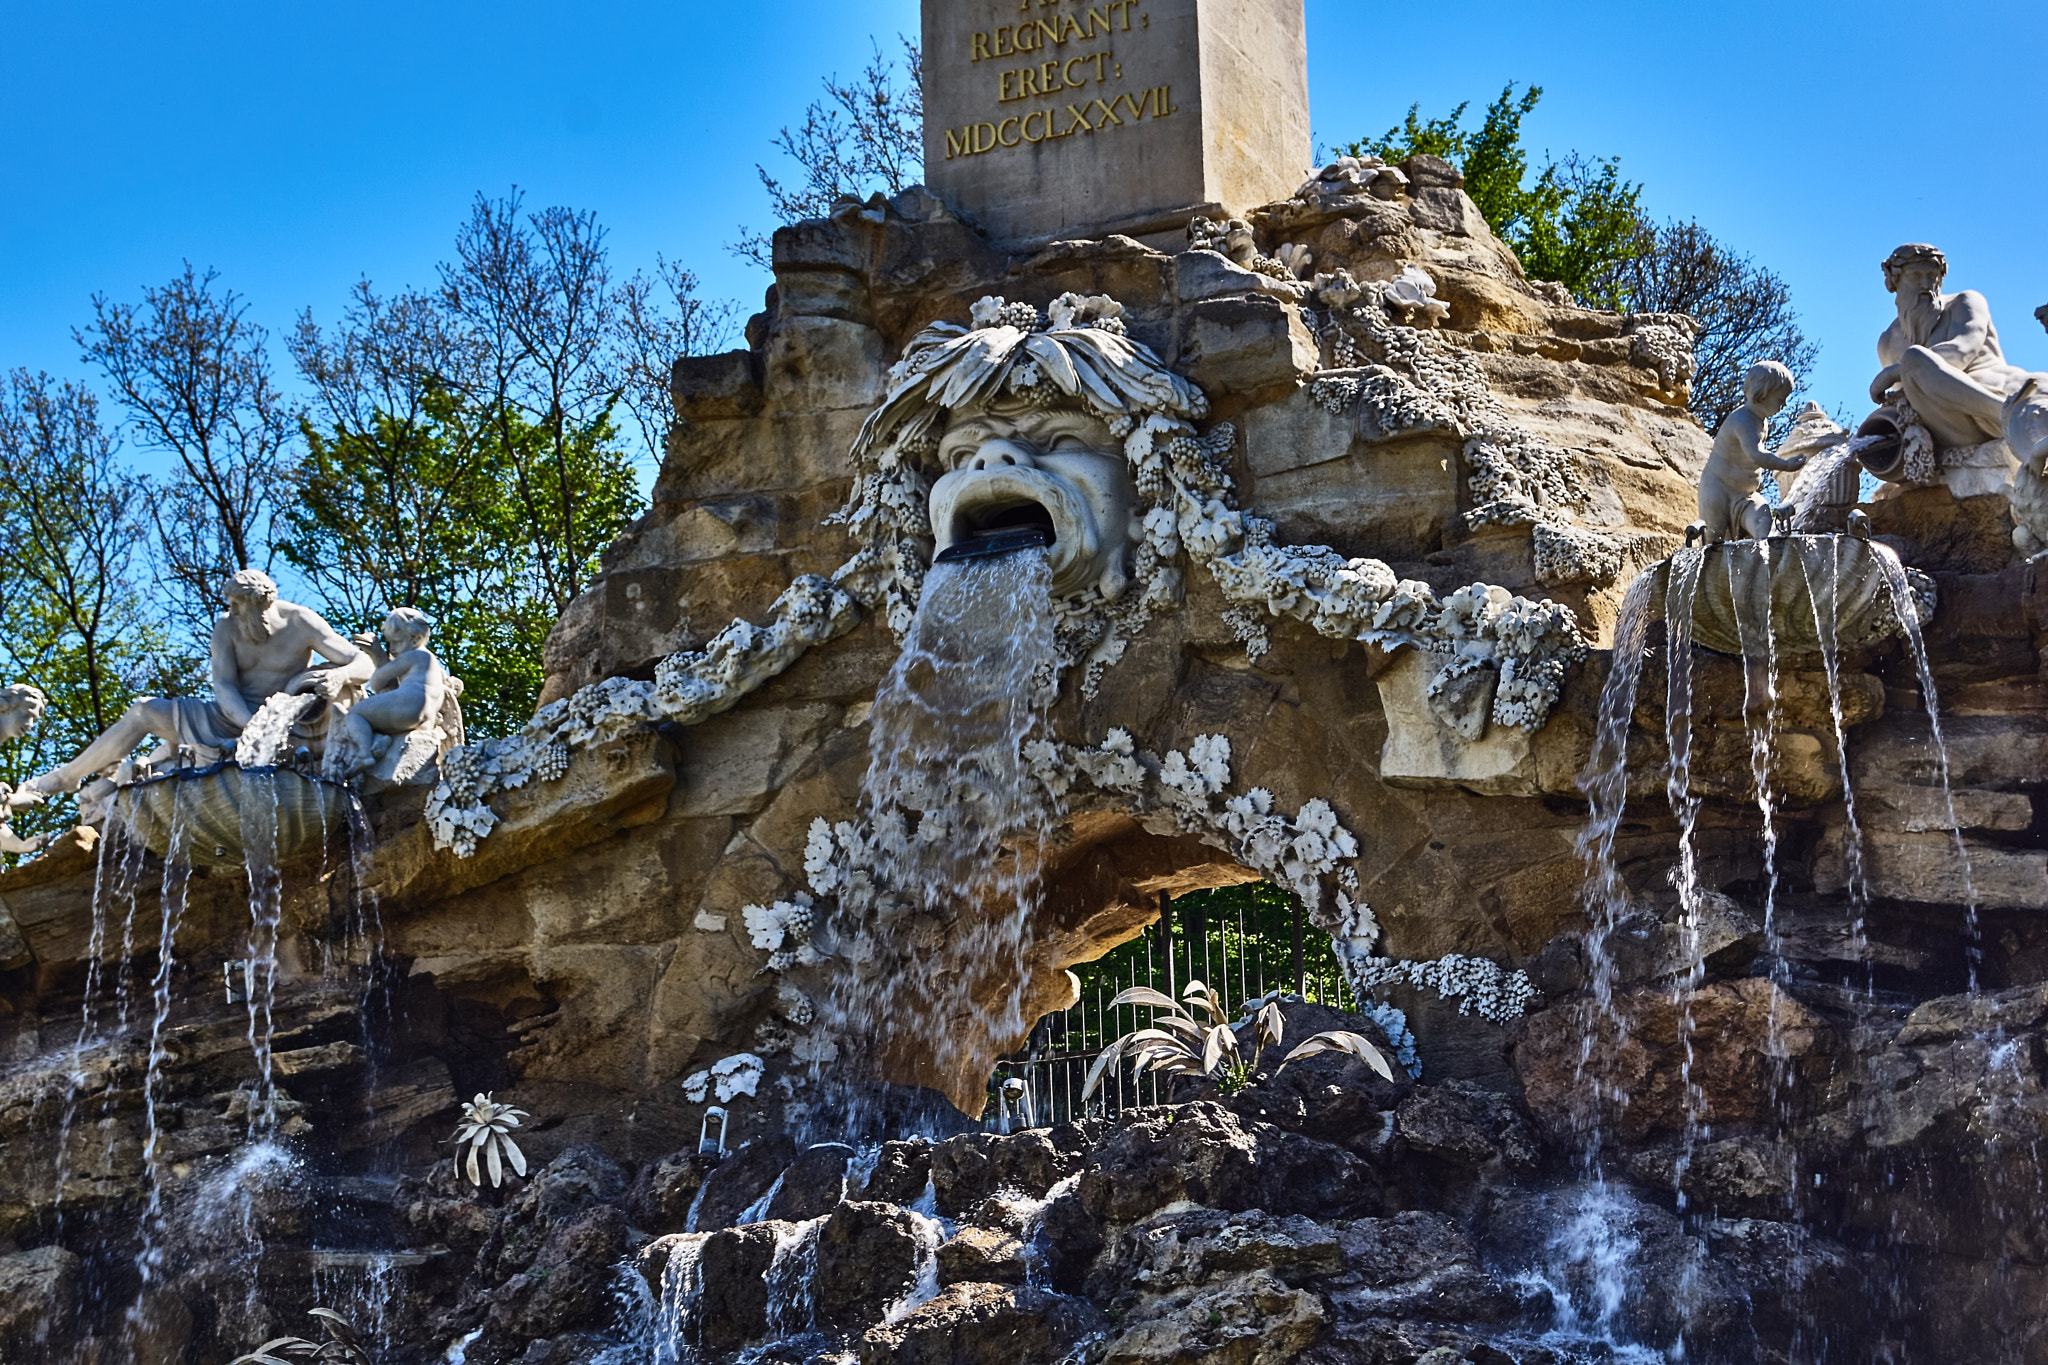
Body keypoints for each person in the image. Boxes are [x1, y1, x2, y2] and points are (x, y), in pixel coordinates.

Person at [25, 569, 367, 796]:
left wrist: (339, 675)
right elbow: (224, 686)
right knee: (144, 709)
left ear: (260, 603)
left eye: (236, 605)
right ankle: (68, 776)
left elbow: (363, 662)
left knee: (349, 691)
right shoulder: (226, 628)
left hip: (287, 726)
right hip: (228, 719)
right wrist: (253, 726)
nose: (230, 611)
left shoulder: (301, 622)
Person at [1869, 244, 2032, 448]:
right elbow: (1906, 401)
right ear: (1895, 282)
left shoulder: (1965, 303)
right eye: (1916, 275)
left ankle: (2010, 414)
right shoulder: (1888, 343)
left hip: (1990, 398)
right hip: (1950, 426)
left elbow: (1961, 350)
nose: (1926, 284)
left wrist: (1894, 372)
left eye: (1932, 276)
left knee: (1914, 358)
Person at [329, 608, 451, 779]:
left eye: (397, 643)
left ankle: (364, 755)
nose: (392, 649)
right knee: (379, 719)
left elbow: (377, 682)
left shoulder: (413, 656)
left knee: (356, 714)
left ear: (415, 638)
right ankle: (381, 741)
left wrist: (377, 653)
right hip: (426, 718)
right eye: (389, 644)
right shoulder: (431, 662)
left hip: (411, 704)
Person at [1698, 361, 1805, 542]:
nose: (1785, 404)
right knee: (1713, 540)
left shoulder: (1762, 421)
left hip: (1745, 495)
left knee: (1763, 522)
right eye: (1780, 399)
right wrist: (1785, 465)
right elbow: (1756, 455)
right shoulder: (1742, 420)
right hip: (1718, 491)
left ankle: (1761, 562)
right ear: (1761, 394)